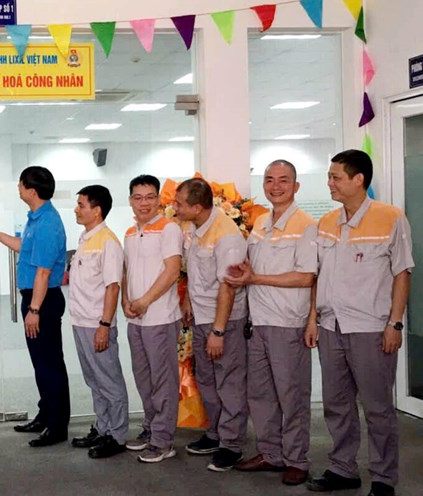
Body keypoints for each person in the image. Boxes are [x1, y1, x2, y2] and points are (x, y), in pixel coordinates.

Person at [305, 150, 413, 496]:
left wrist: (395, 323)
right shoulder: (327, 222)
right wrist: (312, 320)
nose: (329, 183)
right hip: (331, 327)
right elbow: (317, 276)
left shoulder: (391, 218)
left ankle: (383, 478)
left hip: (370, 328)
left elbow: (402, 274)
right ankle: (343, 468)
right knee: (337, 405)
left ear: (358, 180)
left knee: (378, 408)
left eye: (336, 177)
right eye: (329, 175)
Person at [224, 160, 316, 486]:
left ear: (296, 186)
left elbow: (307, 276)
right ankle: (270, 453)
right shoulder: (261, 222)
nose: (275, 186)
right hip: (257, 322)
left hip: (287, 322)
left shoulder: (305, 225)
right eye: (269, 180)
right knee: (260, 394)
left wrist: (256, 278)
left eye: (283, 180)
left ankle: (296, 460)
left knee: (292, 396)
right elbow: (251, 268)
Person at [0, 166, 70, 447]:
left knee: (49, 363)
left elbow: (44, 272)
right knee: (41, 363)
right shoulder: (37, 218)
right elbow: (26, 248)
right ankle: (45, 415)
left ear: (31, 191)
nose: (18, 188)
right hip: (35, 298)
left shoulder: (47, 223)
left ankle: (57, 427)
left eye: (21, 185)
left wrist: (34, 310)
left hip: (41, 300)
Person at [174, 177, 248, 472]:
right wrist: (189, 301)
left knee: (229, 382)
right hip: (202, 317)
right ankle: (216, 433)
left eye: (180, 204)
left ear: (196, 207)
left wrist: (218, 330)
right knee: (207, 380)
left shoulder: (227, 236)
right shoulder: (194, 228)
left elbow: (228, 287)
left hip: (224, 322)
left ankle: (232, 444)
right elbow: (197, 271)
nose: (176, 208)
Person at [119, 175, 183, 464]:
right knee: (144, 378)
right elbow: (126, 271)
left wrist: (144, 300)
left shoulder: (169, 229)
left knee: (163, 380)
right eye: (138, 197)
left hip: (160, 317)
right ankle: (150, 428)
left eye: (149, 197)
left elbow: (172, 272)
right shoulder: (131, 232)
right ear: (130, 200)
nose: (144, 203)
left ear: (159, 200)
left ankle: (163, 440)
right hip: (136, 319)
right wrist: (125, 301)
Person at [67, 185, 128, 459]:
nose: (77, 209)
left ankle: (117, 435)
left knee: (109, 380)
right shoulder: (85, 238)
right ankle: (102, 428)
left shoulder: (108, 242)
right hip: (81, 321)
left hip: (97, 324)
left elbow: (112, 287)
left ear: (97, 209)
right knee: (94, 380)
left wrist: (105, 325)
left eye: (81, 205)